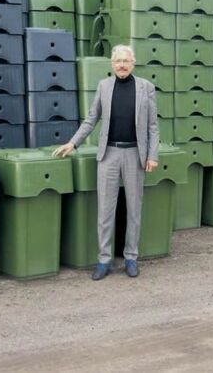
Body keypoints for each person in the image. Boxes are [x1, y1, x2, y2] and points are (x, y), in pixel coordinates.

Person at [53, 44, 159, 280]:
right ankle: (104, 260)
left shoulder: (146, 88)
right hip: (108, 155)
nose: (122, 65)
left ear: (133, 63)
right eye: (118, 61)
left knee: (134, 208)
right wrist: (73, 143)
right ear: (112, 64)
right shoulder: (104, 86)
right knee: (105, 210)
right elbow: (91, 119)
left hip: (135, 155)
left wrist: (152, 155)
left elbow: (153, 126)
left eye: (126, 61)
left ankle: (131, 257)